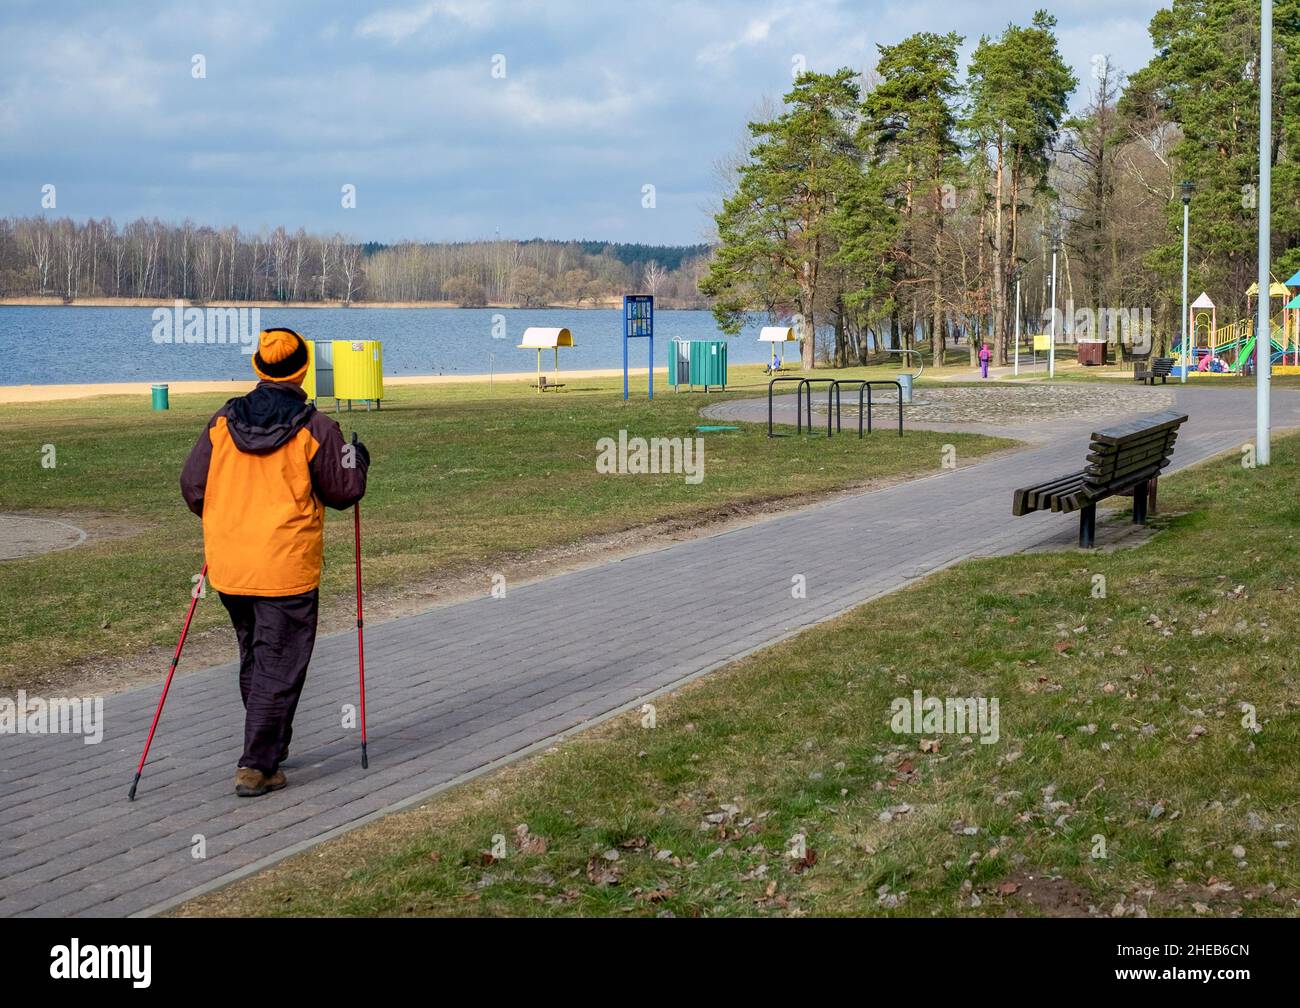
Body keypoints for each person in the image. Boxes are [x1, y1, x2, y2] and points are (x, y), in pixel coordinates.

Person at [181, 328, 370, 797]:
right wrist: (357, 457)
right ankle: (255, 764)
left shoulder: (223, 421)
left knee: (259, 656)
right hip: (284, 565)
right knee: (278, 664)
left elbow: (193, 487)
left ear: (259, 367)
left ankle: (270, 748)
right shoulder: (316, 427)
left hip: (231, 563)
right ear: (303, 369)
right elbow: (345, 490)